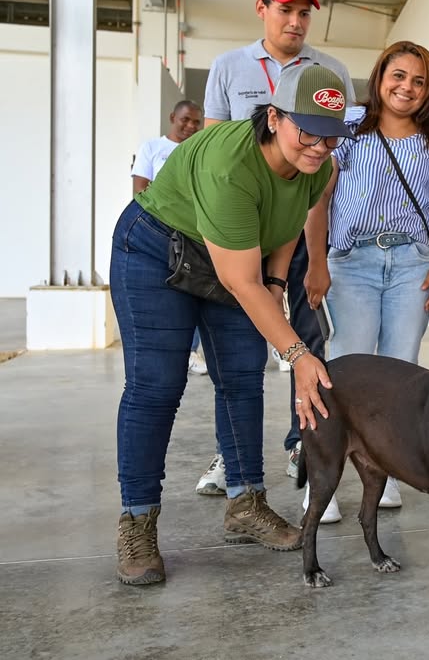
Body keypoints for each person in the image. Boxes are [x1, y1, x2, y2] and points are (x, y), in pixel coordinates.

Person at [111, 63, 351, 586]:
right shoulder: (230, 165)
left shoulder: (317, 165)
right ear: (274, 117)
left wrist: (277, 282)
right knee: (156, 386)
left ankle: (246, 504)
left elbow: (288, 223)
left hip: (235, 255)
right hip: (156, 251)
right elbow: (239, 281)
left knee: (242, 378)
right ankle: (137, 520)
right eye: (308, 131)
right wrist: (297, 353)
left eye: (331, 135)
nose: (319, 146)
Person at [197, 0, 355, 496]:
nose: (295, 21)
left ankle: (301, 445)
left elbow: (325, 168)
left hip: (302, 227)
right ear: (261, 8)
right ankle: (233, 453)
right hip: (242, 228)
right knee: (238, 348)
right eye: (285, 10)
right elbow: (213, 151)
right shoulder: (228, 67)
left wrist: (318, 257)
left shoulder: (331, 71)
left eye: (304, 12)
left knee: (309, 341)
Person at [304, 41, 429, 516]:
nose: (407, 87)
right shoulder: (348, 126)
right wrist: (317, 261)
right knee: (344, 372)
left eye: (419, 81)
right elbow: (319, 197)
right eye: (398, 76)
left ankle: (386, 473)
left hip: (413, 262)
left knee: (401, 372)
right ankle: (321, 486)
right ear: (380, 77)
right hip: (353, 262)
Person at [131, 100, 209, 379]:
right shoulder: (152, 148)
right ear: (172, 117)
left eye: (196, 122)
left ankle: (190, 351)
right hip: (159, 232)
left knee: (195, 291)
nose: (190, 126)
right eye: (185, 119)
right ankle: (167, 352)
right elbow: (140, 190)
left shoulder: (201, 149)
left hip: (194, 233)